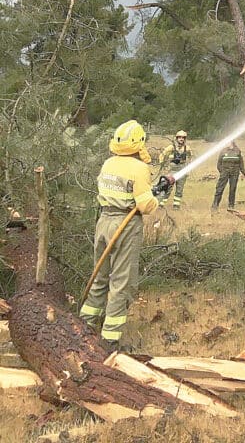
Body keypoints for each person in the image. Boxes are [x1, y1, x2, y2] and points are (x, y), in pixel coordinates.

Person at [79, 119, 163, 351]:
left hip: (104, 221)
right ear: (138, 142)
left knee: (100, 275)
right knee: (121, 281)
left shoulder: (108, 163)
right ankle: (110, 339)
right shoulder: (139, 168)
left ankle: (85, 324)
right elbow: (145, 205)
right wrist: (158, 198)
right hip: (124, 225)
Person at [157, 130, 192, 209]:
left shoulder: (187, 148)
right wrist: (162, 164)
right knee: (168, 188)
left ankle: (176, 205)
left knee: (179, 189)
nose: (181, 139)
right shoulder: (171, 147)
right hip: (171, 171)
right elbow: (162, 155)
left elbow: (190, 159)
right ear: (176, 138)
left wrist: (188, 170)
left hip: (182, 171)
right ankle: (161, 204)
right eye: (179, 137)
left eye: (183, 138)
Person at [211, 140, 245, 211]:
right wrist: (222, 172)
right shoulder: (223, 151)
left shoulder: (237, 151)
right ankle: (215, 205)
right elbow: (219, 163)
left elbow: (241, 162)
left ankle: (231, 206)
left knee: (232, 189)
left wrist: (243, 172)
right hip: (225, 172)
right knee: (219, 188)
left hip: (235, 172)